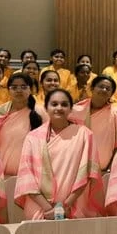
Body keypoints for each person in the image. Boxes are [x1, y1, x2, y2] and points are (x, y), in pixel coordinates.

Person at [15, 89, 102, 220]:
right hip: (40, 208)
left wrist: (65, 206)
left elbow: (87, 173)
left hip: (73, 205)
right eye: (54, 104)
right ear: (46, 108)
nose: (59, 108)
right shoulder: (32, 137)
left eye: (64, 104)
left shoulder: (84, 134)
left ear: (71, 109)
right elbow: (27, 177)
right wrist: (48, 209)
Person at [0, 73, 46, 176]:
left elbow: (46, 145)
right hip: (2, 173)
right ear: (8, 90)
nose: (19, 90)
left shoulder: (41, 112)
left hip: (32, 173)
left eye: (23, 87)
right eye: (14, 87)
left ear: (31, 90)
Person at [70, 75, 117, 174]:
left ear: (111, 94)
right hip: (76, 166)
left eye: (108, 89)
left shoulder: (116, 113)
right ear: (92, 88)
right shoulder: (76, 110)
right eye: (101, 86)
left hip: (102, 170)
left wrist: (110, 167)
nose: (104, 90)